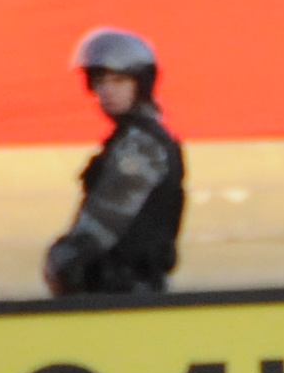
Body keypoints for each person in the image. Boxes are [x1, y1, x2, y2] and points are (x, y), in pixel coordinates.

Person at [41, 27, 186, 295]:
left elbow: (101, 226)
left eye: (119, 81)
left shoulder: (141, 145)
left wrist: (61, 261)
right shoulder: (134, 138)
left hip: (123, 294)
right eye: (100, 82)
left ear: (141, 84)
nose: (107, 90)